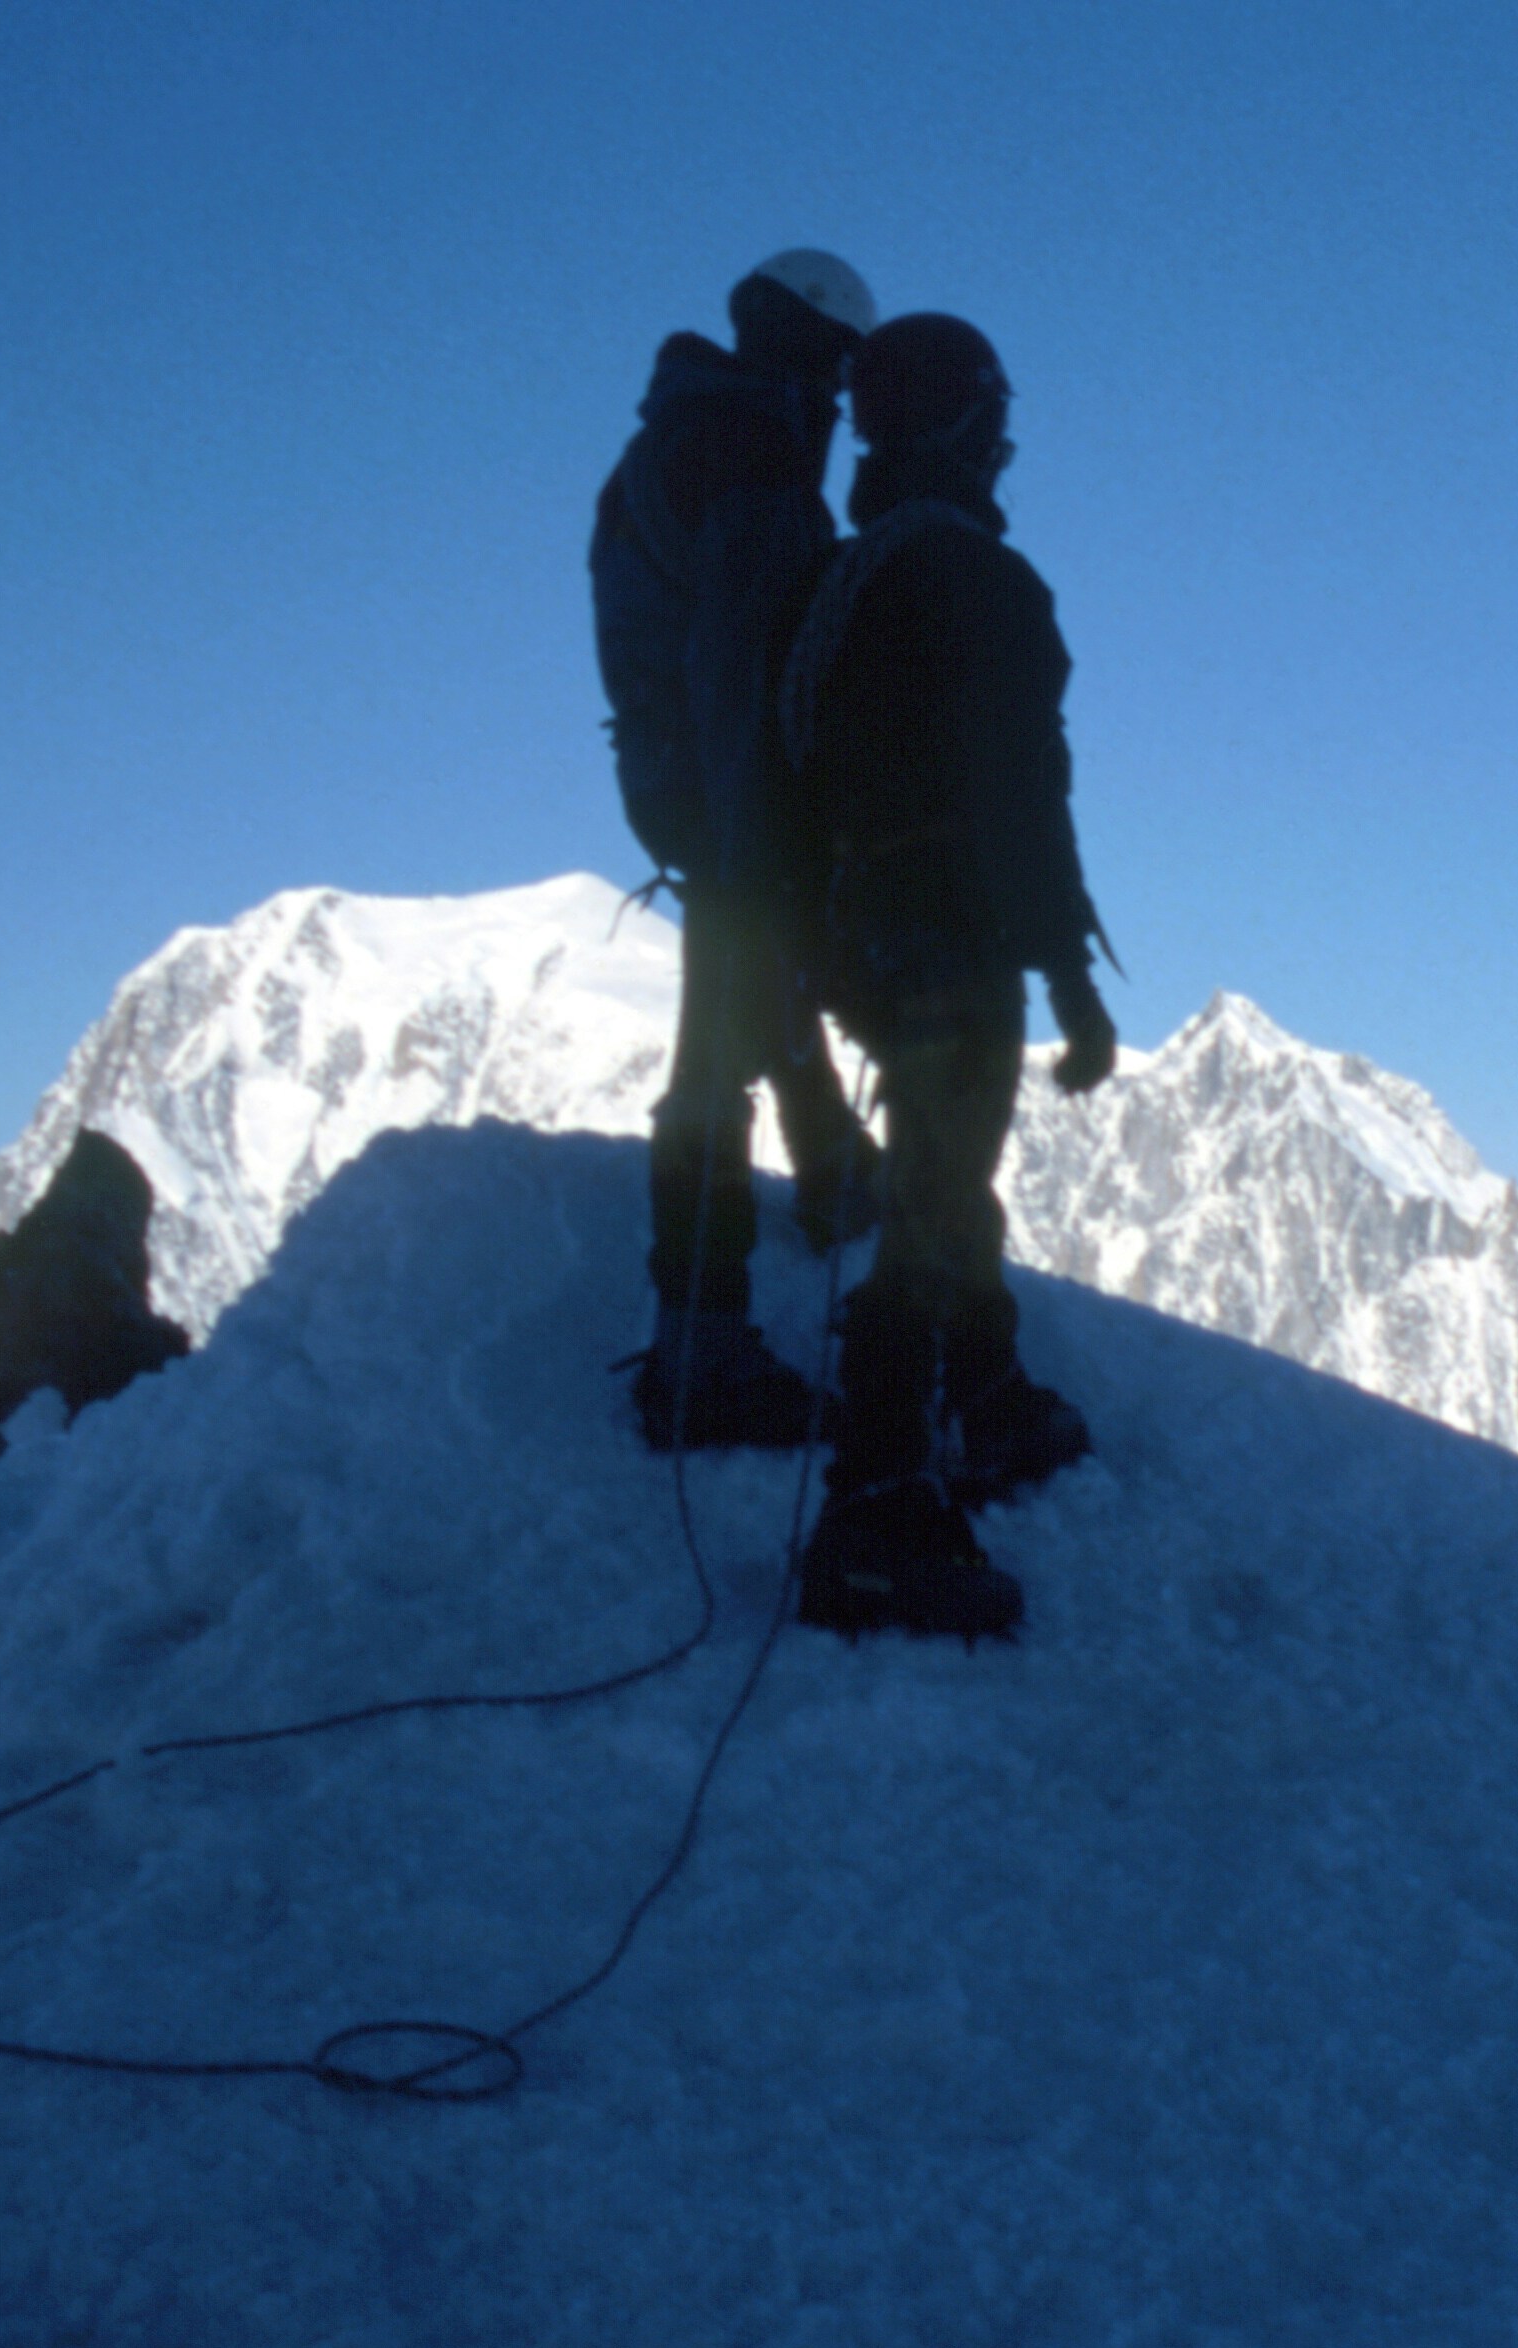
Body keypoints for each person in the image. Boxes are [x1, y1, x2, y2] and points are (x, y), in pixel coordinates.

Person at [773, 311, 1118, 1640]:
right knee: (930, 1198)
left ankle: (987, 1397)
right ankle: (876, 1509)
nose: (1007, 440)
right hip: (952, 937)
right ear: (964, 425)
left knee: (940, 1175)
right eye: (993, 416)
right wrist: (1073, 979)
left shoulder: (847, 578)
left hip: (861, 933)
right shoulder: (980, 578)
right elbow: (1025, 800)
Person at [589, 247, 885, 1450]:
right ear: (818, 347)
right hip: (724, 792)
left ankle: (826, 1179)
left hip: (679, 783)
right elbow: (741, 666)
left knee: (738, 998)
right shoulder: (749, 451)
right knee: (714, 1042)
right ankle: (699, 1346)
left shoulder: (684, 433)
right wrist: (767, 841)